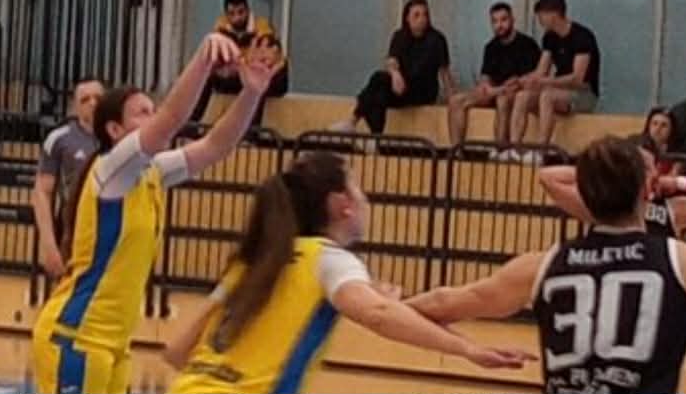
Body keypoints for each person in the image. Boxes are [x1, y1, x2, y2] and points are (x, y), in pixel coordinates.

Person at [32, 33, 282, 394]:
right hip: (76, 336)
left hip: (114, 345)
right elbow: (170, 118)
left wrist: (252, 94)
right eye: (142, 113)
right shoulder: (110, 169)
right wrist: (203, 60)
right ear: (114, 130)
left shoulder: (153, 172)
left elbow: (217, 145)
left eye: (152, 110)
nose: (152, 118)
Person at [162, 152, 533, 394]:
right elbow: (379, 314)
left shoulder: (254, 262)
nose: (365, 199)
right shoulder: (329, 259)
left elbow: (177, 352)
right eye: (359, 189)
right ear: (343, 205)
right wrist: (466, 348)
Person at [406, 136, 686, 394]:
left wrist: (387, 305)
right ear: (647, 190)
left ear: (583, 194)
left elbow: (443, 302)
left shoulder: (543, 265)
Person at [539, 145, 686, 239]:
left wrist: (680, 182)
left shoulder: (669, 211)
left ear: (656, 171)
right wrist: (603, 171)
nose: (639, 174)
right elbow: (548, 177)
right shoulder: (602, 205)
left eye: (645, 168)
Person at [335, 0, 454, 134]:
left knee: (378, 83)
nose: (422, 19)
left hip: (422, 90)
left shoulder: (437, 39)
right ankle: (375, 135)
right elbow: (392, 60)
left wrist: (451, 98)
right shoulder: (400, 36)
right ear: (407, 18)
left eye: (425, 14)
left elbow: (444, 71)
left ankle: (353, 122)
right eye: (416, 15)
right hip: (400, 86)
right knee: (379, 90)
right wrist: (395, 74)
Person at [506, 0, 601, 164]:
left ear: (553, 15)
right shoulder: (549, 38)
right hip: (558, 90)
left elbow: (577, 78)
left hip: (583, 93)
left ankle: (541, 150)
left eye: (541, 15)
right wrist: (522, 81)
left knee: (547, 96)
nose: (539, 20)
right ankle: (514, 148)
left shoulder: (582, 37)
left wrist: (545, 82)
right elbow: (541, 71)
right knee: (522, 96)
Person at [32, 77, 105, 278]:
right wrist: (49, 245)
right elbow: (42, 192)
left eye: (98, 98)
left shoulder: (120, 138)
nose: (93, 103)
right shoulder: (60, 138)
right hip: (73, 226)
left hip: (110, 223)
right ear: (75, 106)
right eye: (85, 99)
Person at [447, 2, 541, 149]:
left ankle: (500, 150)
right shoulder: (491, 47)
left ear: (512, 20)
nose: (499, 25)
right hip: (495, 91)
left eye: (503, 20)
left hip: (515, 95)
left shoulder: (527, 45)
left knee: (503, 99)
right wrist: (485, 88)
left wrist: (497, 90)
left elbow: (523, 81)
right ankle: (456, 151)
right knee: (456, 101)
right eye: (495, 21)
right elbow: (485, 78)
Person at [190, 0, 277, 123]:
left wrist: (241, 65)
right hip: (236, 74)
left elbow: (265, 59)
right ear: (226, 15)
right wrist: (224, 69)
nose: (237, 18)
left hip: (263, 75)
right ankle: (192, 122)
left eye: (241, 12)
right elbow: (217, 57)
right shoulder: (221, 27)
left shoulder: (262, 28)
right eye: (232, 14)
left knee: (257, 83)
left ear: (248, 11)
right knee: (207, 77)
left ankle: (252, 130)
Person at [191, 33, 289, 127]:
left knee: (257, 89)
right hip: (250, 80)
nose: (261, 53)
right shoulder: (249, 57)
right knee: (211, 77)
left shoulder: (279, 63)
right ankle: (192, 120)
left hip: (271, 83)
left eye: (264, 50)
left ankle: (251, 131)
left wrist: (264, 64)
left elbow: (279, 80)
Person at [634, 107, 678, 175]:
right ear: (648, 126)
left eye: (664, 125)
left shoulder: (677, 153)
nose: (658, 128)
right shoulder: (638, 146)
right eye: (655, 123)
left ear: (671, 130)